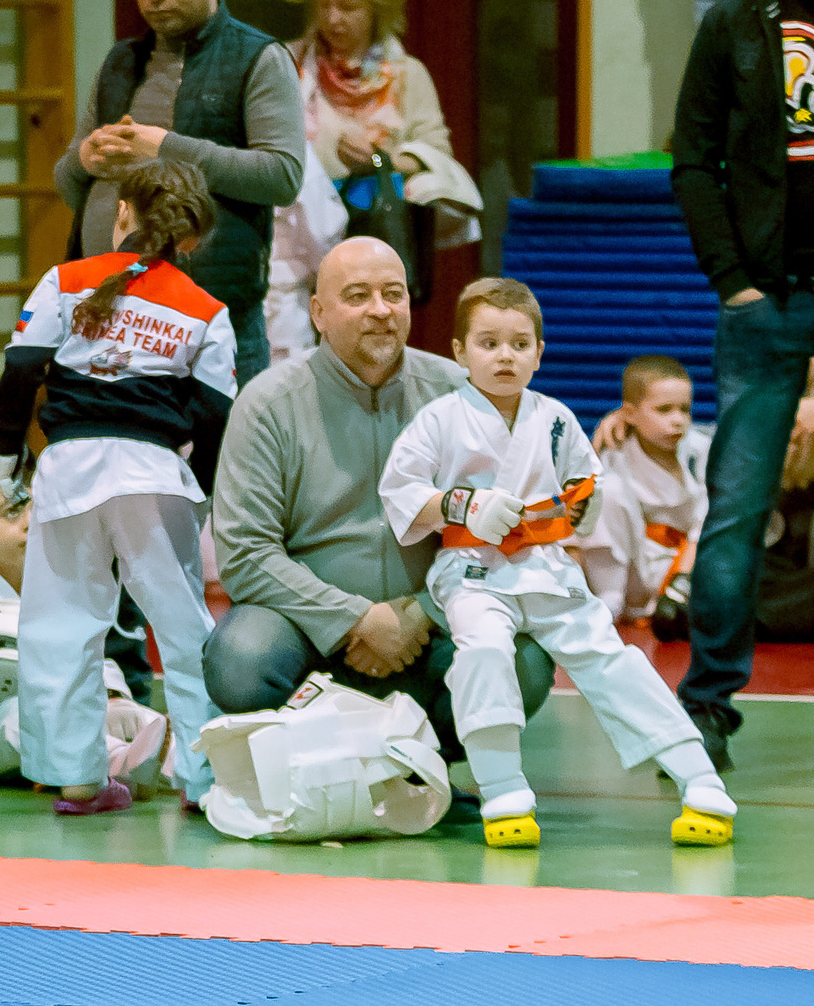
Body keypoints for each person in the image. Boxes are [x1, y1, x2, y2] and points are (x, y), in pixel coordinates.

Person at [378, 279, 734, 849]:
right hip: (472, 570)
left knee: (607, 656)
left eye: (520, 344)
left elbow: (586, 489)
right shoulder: (439, 419)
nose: (505, 356)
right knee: (486, 651)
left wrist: (579, 504)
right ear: (458, 351)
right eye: (489, 343)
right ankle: (503, 790)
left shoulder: (557, 418)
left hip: (546, 564)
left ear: (540, 354)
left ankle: (699, 777)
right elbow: (399, 491)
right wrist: (459, 503)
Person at [210, 237, 554, 761]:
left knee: (522, 661)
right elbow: (246, 556)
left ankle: (420, 764)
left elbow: (506, 541)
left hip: (430, 635)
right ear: (318, 313)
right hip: (306, 636)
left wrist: (419, 614)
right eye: (358, 296)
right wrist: (355, 620)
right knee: (240, 659)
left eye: (394, 294)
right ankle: (313, 763)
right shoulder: (268, 405)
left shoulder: (464, 396)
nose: (380, 310)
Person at [0, 161, 233, 814]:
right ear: (190, 238)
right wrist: (204, 493)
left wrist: (2, 457)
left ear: (122, 212)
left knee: (62, 625)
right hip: (154, 473)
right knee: (185, 629)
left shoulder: (64, 282)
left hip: (68, 466)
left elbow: (18, 375)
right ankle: (202, 778)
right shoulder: (206, 309)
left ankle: (75, 776)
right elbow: (215, 415)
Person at [665, 0, 814, 767]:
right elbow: (693, 160)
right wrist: (736, 283)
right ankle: (710, 700)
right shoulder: (735, 24)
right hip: (768, 301)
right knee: (737, 505)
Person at [54, 0, 302, 385]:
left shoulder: (259, 58)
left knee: (217, 460)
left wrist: (166, 148)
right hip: (107, 312)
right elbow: (69, 189)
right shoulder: (120, 61)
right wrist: (84, 158)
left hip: (208, 313)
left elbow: (282, 176)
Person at [273, 0, 483, 327]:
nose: (333, 18)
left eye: (348, 7)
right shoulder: (287, 65)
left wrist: (377, 160)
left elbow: (436, 152)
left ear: (376, 10)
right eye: (325, 5)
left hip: (373, 242)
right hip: (296, 254)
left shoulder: (406, 75)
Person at [0, 469, 164, 788]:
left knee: (123, 712)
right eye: (12, 512)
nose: (29, 523)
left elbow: (93, 657)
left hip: (46, 717)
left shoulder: (58, 587)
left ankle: (161, 754)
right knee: (33, 712)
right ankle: (115, 761)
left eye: (36, 511)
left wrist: (112, 697)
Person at [578, 356, 708, 627]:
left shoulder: (699, 451)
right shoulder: (616, 452)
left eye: (685, 409)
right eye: (664, 410)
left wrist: (682, 577)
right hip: (633, 572)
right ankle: (608, 597)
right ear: (630, 414)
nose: (678, 420)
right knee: (606, 490)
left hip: (689, 566)